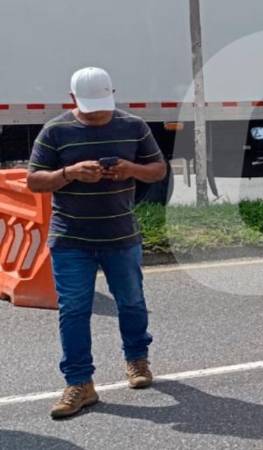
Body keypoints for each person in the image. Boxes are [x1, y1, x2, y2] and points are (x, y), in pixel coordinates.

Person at [27, 67, 167, 419]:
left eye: (103, 106)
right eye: (91, 108)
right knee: (73, 311)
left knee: (132, 301)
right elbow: (34, 181)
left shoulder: (133, 126)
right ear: (72, 99)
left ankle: (137, 360)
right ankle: (80, 382)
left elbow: (159, 169)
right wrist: (69, 173)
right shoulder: (55, 131)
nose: (98, 114)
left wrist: (130, 169)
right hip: (71, 238)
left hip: (121, 236)